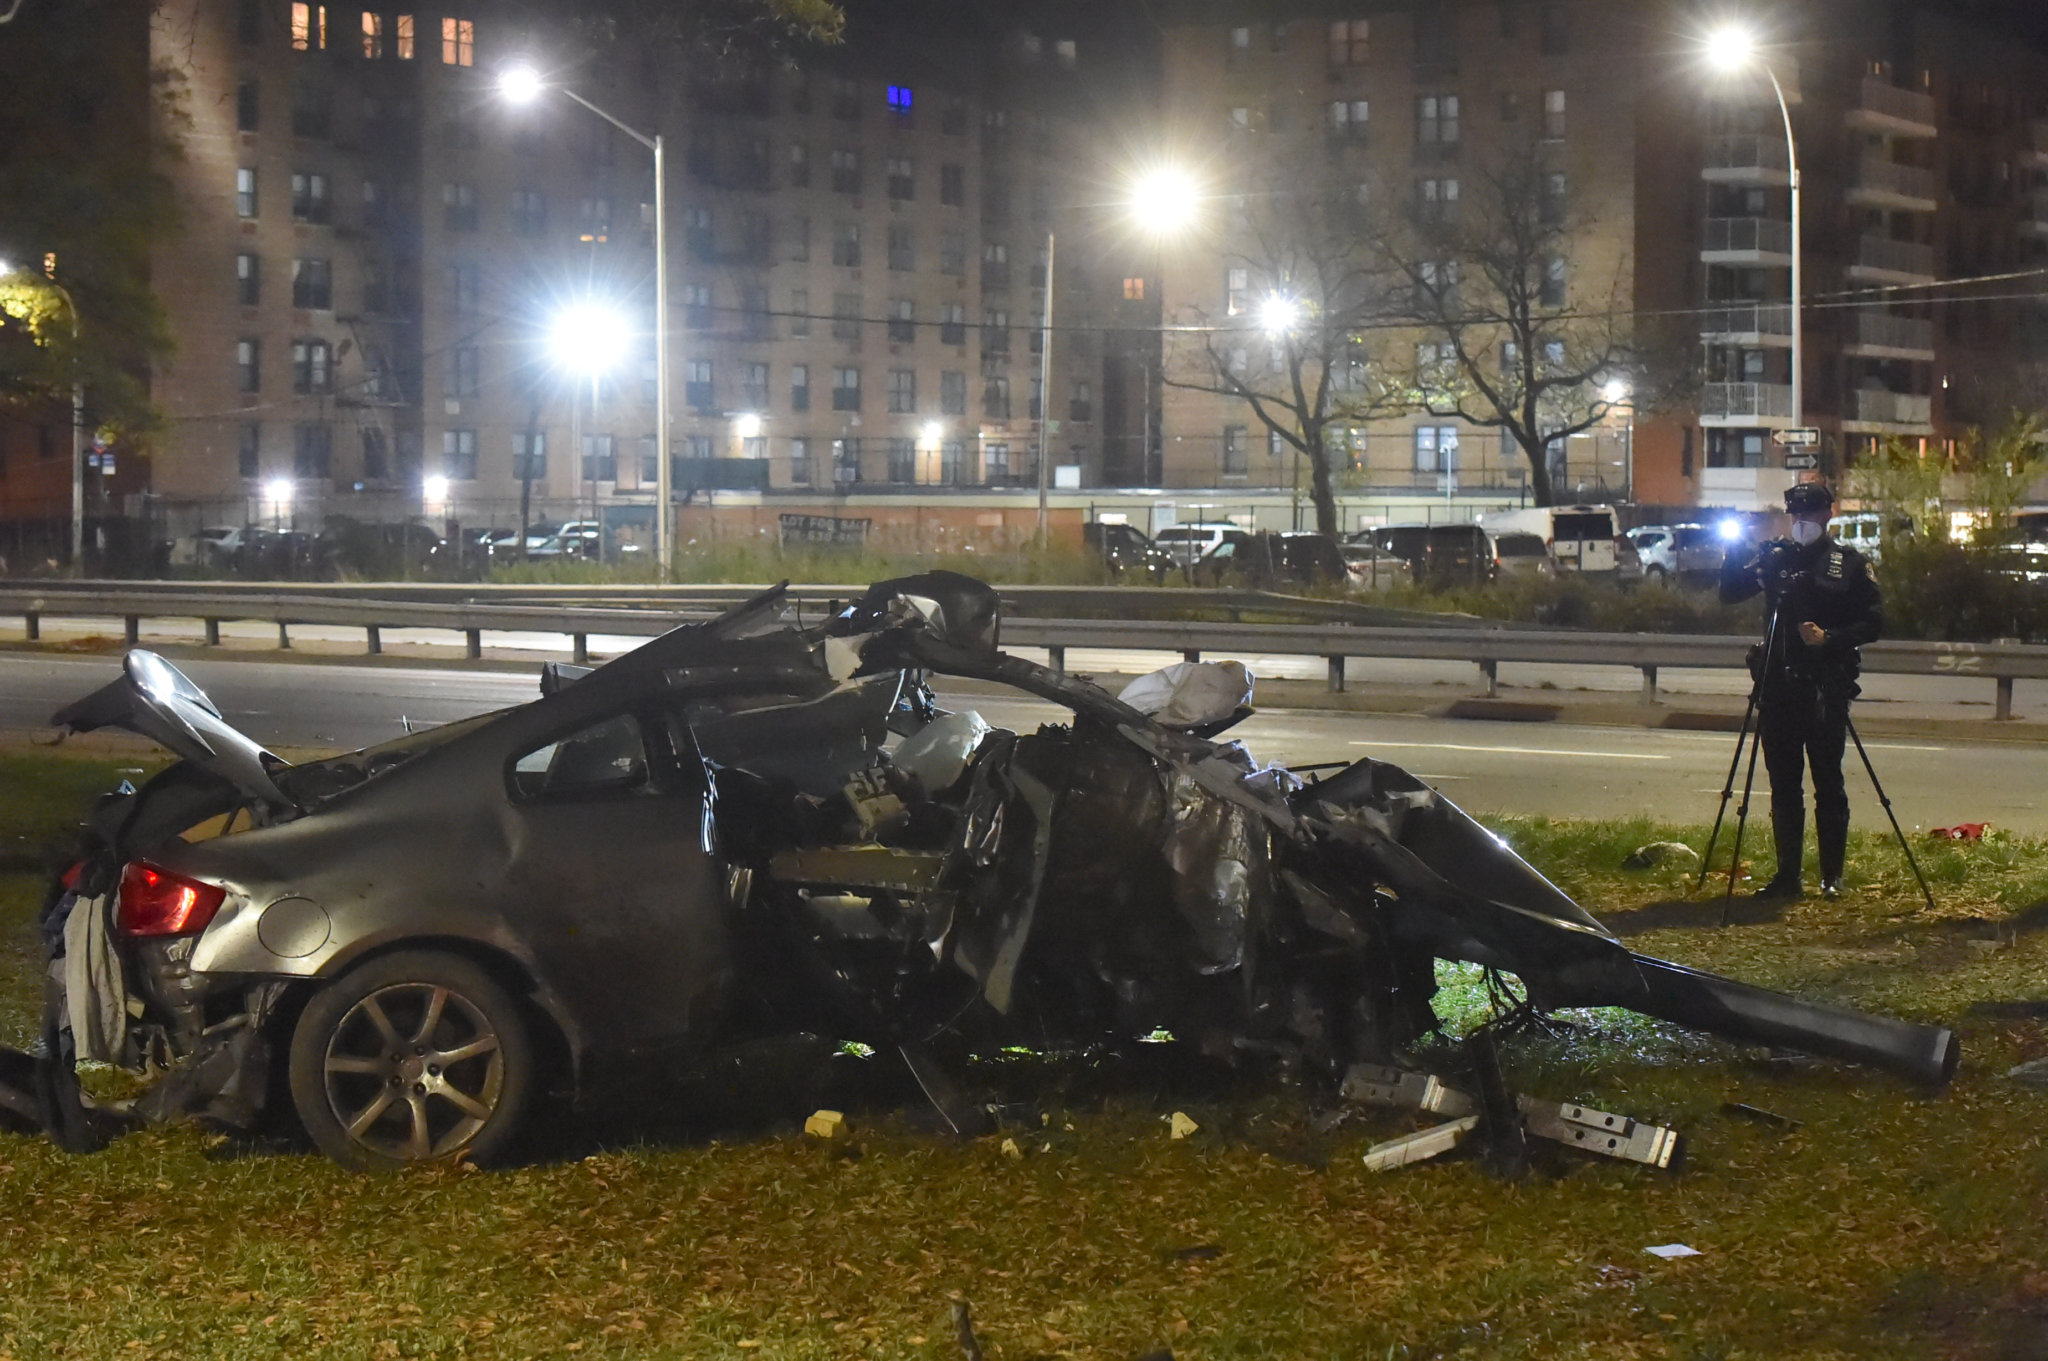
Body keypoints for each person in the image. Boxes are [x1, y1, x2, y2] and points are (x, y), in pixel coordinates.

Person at [1719, 481, 1884, 900]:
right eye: (1796, 514)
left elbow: (1875, 622)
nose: (1801, 521)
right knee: (1783, 784)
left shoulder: (1847, 563)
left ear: (1829, 513)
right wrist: (1734, 550)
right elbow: (1730, 593)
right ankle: (1787, 876)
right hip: (1778, 686)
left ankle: (1831, 877)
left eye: (1809, 514)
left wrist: (1830, 638)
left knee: (1828, 782)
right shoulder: (1775, 557)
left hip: (1824, 688)